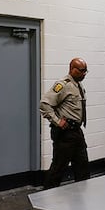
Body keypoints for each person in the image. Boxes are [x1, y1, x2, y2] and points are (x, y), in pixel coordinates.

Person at [39, 57, 89, 189]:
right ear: (72, 69)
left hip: (76, 132)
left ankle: (82, 198)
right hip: (65, 134)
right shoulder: (63, 85)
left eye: (86, 71)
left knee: (82, 166)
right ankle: (47, 198)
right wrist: (57, 121)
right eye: (82, 70)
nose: (84, 74)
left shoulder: (78, 85)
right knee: (58, 167)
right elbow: (44, 104)